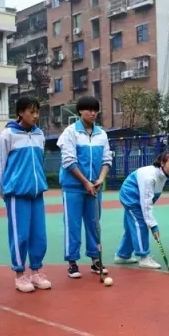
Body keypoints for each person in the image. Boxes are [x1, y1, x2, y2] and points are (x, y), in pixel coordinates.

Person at [0, 96, 50, 293]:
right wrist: (5, 191)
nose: (35, 116)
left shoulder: (39, 134)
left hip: (37, 193)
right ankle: (19, 274)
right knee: (20, 235)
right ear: (20, 113)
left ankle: (36, 271)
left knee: (39, 235)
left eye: (37, 111)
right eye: (31, 112)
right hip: (17, 193)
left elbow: (38, 163)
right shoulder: (8, 135)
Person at [57, 96, 112, 279]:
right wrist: (85, 182)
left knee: (94, 225)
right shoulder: (70, 132)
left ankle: (95, 260)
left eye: (95, 110)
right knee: (72, 225)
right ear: (80, 111)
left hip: (95, 188)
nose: (93, 113)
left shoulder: (101, 134)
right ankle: (72, 263)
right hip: (73, 187)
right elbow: (68, 161)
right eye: (89, 109)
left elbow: (106, 160)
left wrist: (100, 179)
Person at [115, 150, 169, 269]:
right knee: (140, 225)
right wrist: (153, 225)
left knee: (132, 227)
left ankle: (123, 255)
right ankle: (144, 257)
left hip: (139, 196)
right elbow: (146, 204)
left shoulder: (162, 175)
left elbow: (149, 199)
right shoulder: (150, 177)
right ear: (162, 163)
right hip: (131, 196)